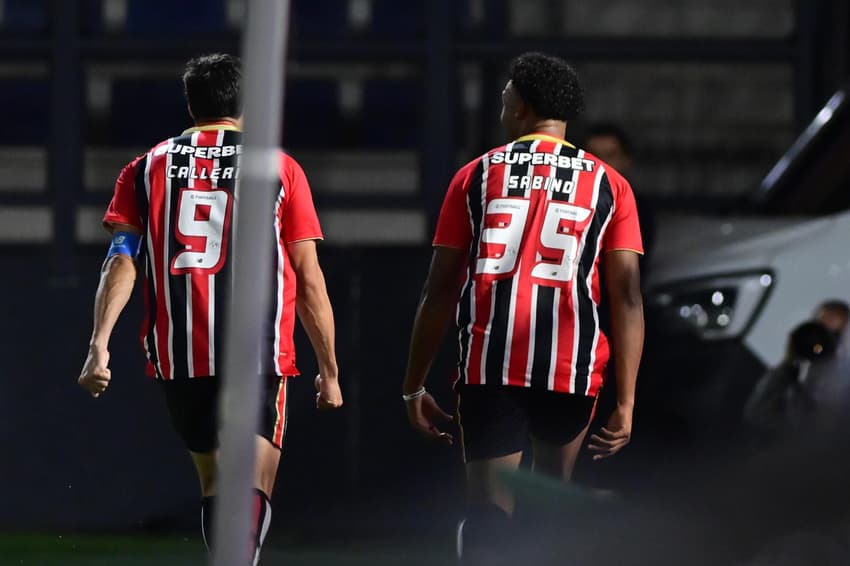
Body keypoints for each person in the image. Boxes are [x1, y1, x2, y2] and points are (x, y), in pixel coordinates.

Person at [76, 53, 343, 565]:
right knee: (253, 483)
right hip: (257, 350)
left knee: (218, 483)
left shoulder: (145, 167)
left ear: (190, 104)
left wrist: (98, 346)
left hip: (180, 351)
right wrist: (329, 371)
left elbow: (121, 260)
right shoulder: (277, 166)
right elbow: (308, 277)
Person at [401, 52, 644, 563]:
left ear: (523, 107)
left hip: (493, 361)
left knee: (489, 514)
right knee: (551, 510)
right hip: (570, 365)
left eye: (507, 93)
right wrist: (626, 399)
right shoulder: (609, 184)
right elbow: (625, 296)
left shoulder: (476, 175)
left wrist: (414, 385)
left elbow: (440, 288)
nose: (502, 101)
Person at [583, 123, 656, 272]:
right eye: (594, 156)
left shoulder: (638, 209)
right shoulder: (569, 202)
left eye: (610, 155)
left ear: (626, 160)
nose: (601, 164)